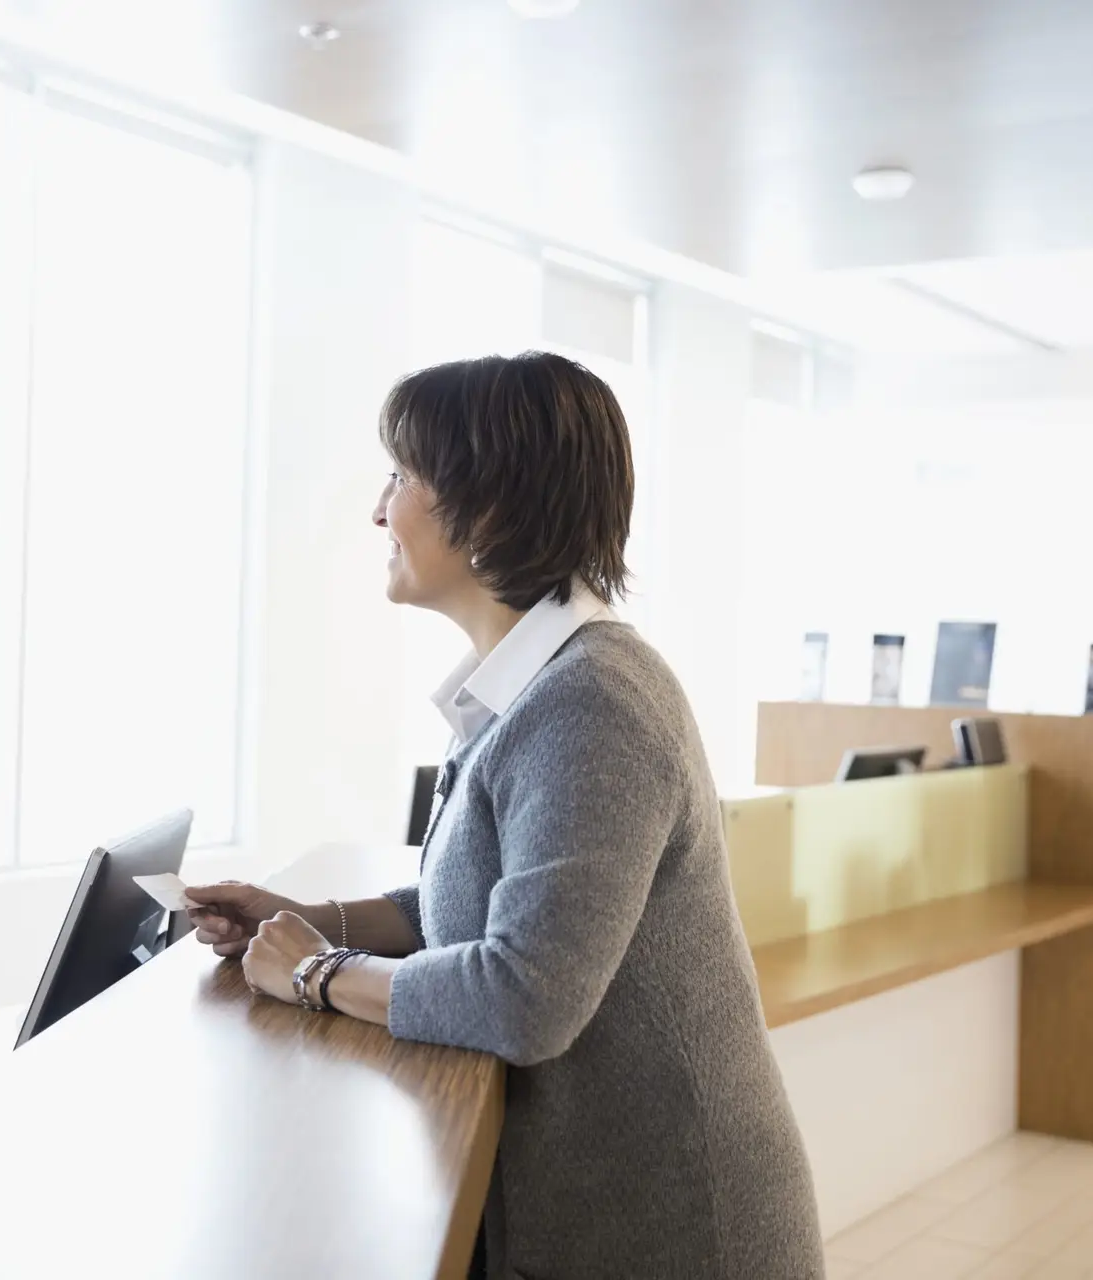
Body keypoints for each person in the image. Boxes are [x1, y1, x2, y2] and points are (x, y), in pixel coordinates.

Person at [188, 352, 824, 1279]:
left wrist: (320, 973)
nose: (378, 510)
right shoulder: (526, 688)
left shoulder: (592, 702)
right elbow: (469, 909)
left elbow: (526, 999)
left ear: (487, 509)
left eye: (401, 478)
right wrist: (296, 916)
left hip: (677, 1232)